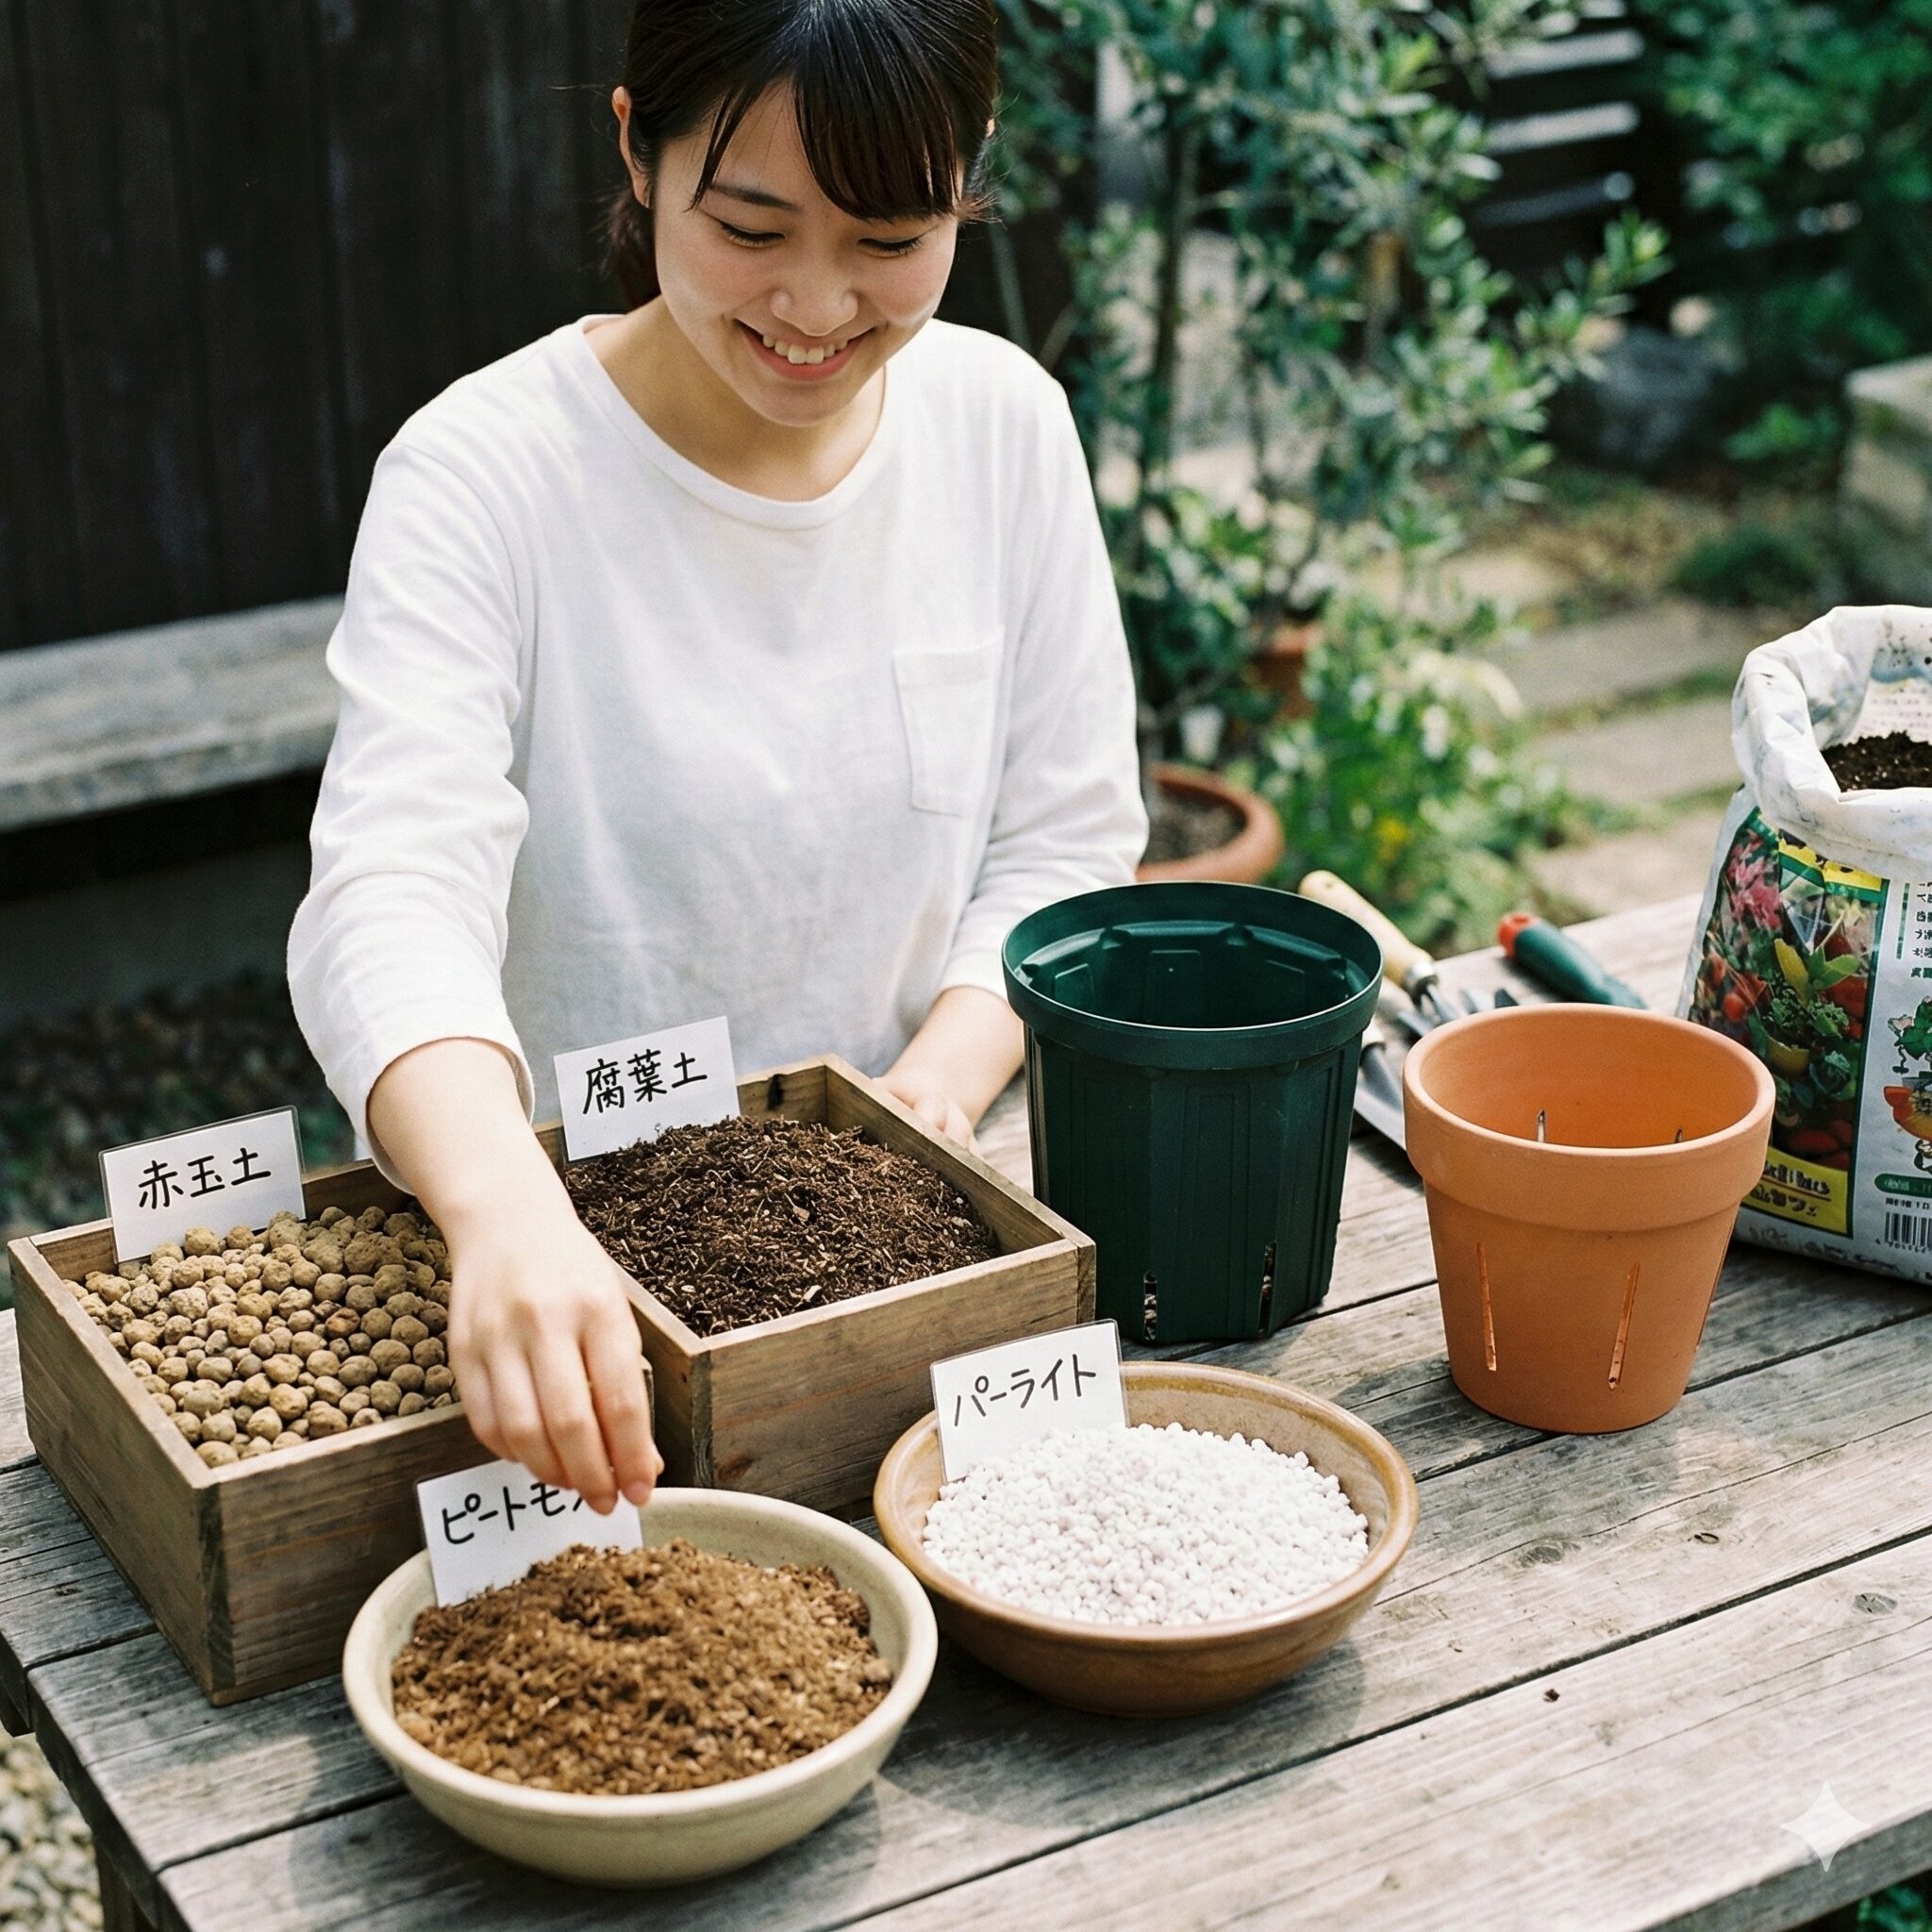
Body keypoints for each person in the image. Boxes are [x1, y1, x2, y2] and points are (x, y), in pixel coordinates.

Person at [289, 0, 1145, 1516]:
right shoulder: (483, 475)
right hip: (564, 1284)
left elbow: (1065, 839)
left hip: (908, 1256)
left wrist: (931, 1103)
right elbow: (390, 890)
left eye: (890, 240)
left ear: (967, 184)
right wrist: (502, 1205)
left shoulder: (1003, 427)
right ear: (637, 148)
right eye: (752, 226)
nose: (817, 306)